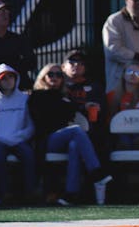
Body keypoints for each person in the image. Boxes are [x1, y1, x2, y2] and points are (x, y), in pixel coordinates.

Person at [28, 65, 111, 206]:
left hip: (64, 138)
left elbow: (71, 109)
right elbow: (44, 119)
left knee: (75, 145)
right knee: (76, 130)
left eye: (59, 75)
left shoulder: (64, 97)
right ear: (43, 77)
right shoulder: (36, 96)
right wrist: (67, 108)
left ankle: (70, 194)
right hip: (46, 141)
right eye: (51, 74)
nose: (54, 77)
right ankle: (98, 173)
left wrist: (83, 106)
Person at [0, 64, 35, 205]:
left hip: (19, 139)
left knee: (29, 155)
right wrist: (1, 137)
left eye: (11, 77)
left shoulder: (25, 98)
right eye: (3, 78)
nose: (8, 81)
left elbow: (30, 125)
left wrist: (20, 136)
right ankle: (4, 194)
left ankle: (30, 194)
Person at [0, 0, 36, 89]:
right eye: (0, 12)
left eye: (6, 11)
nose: (5, 14)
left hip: (18, 89)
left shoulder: (18, 39)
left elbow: (31, 62)